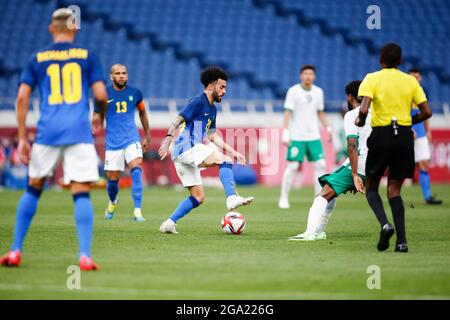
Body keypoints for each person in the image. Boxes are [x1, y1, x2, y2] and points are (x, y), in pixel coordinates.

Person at [0, 8, 107, 270]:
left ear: (51, 28)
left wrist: (24, 137)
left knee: (34, 187)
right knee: (81, 192)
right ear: (74, 28)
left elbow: (22, 98)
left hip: (47, 132)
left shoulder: (37, 58)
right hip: (79, 132)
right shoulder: (87, 56)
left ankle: (15, 251)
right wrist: (99, 117)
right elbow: (102, 95)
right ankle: (84, 256)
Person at [158, 66, 254, 234]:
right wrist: (167, 139)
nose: (225, 91)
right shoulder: (198, 101)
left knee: (198, 197)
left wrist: (233, 151)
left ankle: (169, 223)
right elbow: (178, 119)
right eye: (222, 87)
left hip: (183, 154)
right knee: (224, 161)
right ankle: (231, 198)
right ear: (211, 86)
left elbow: (212, 136)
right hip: (186, 147)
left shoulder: (213, 109)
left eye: (225, 88)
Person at [357, 43, 432, 253]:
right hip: (405, 137)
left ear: (380, 60)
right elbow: (427, 112)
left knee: (371, 186)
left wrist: (361, 121)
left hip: (381, 134)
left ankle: (384, 224)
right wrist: (409, 120)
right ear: (400, 61)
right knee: (394, 190)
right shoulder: (410, 81)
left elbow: (364, 107)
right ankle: (402, 242)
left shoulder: (372, 78)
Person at [289, 80, 368, 241]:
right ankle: (320, 231)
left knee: (322, 195)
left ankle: (311, 232)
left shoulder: (352, 115)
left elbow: (352, 144)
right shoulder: (378, 113)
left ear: (349, 97)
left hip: (360, 164)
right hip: (376, 164)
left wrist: (354, 174)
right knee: (330, 190)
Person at [92, 64, 151, 221]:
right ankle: (113, 201)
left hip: (132, 138)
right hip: (113, 143)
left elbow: (143, 113)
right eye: (117, 73)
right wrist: (95, 121)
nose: (121, 76)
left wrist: (147, 135)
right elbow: (96, 115)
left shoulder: (135, 93)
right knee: (112, 181)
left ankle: (137, 211)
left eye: (124, 73)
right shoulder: (103, 94)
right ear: (111, 77)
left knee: (136, 169)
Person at [279, 65, 332, 209]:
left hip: (313, 135)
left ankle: (318, 198)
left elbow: (320, 112)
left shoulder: (318, 92)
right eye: (305, 73)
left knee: (320, 164)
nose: (308, 76)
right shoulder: (293, 91)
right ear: (301, 76)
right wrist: (286, 131)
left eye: (311, 74)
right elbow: (288, 112)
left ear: (314, 76)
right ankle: (283, 198)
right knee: (293, 166)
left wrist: (327, 126)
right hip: (297, 135)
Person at [408, 68, 442, 204]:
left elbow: (425, 113)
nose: (414, 79)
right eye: (412, 77)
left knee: (424, 163)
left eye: (416, 76)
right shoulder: (404, 91)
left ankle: (427, 196)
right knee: (397, 164)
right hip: (406, 131)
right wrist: (408, 128)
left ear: (420, 78)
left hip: (420, 132)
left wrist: (428, 130)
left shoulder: (423, 91)